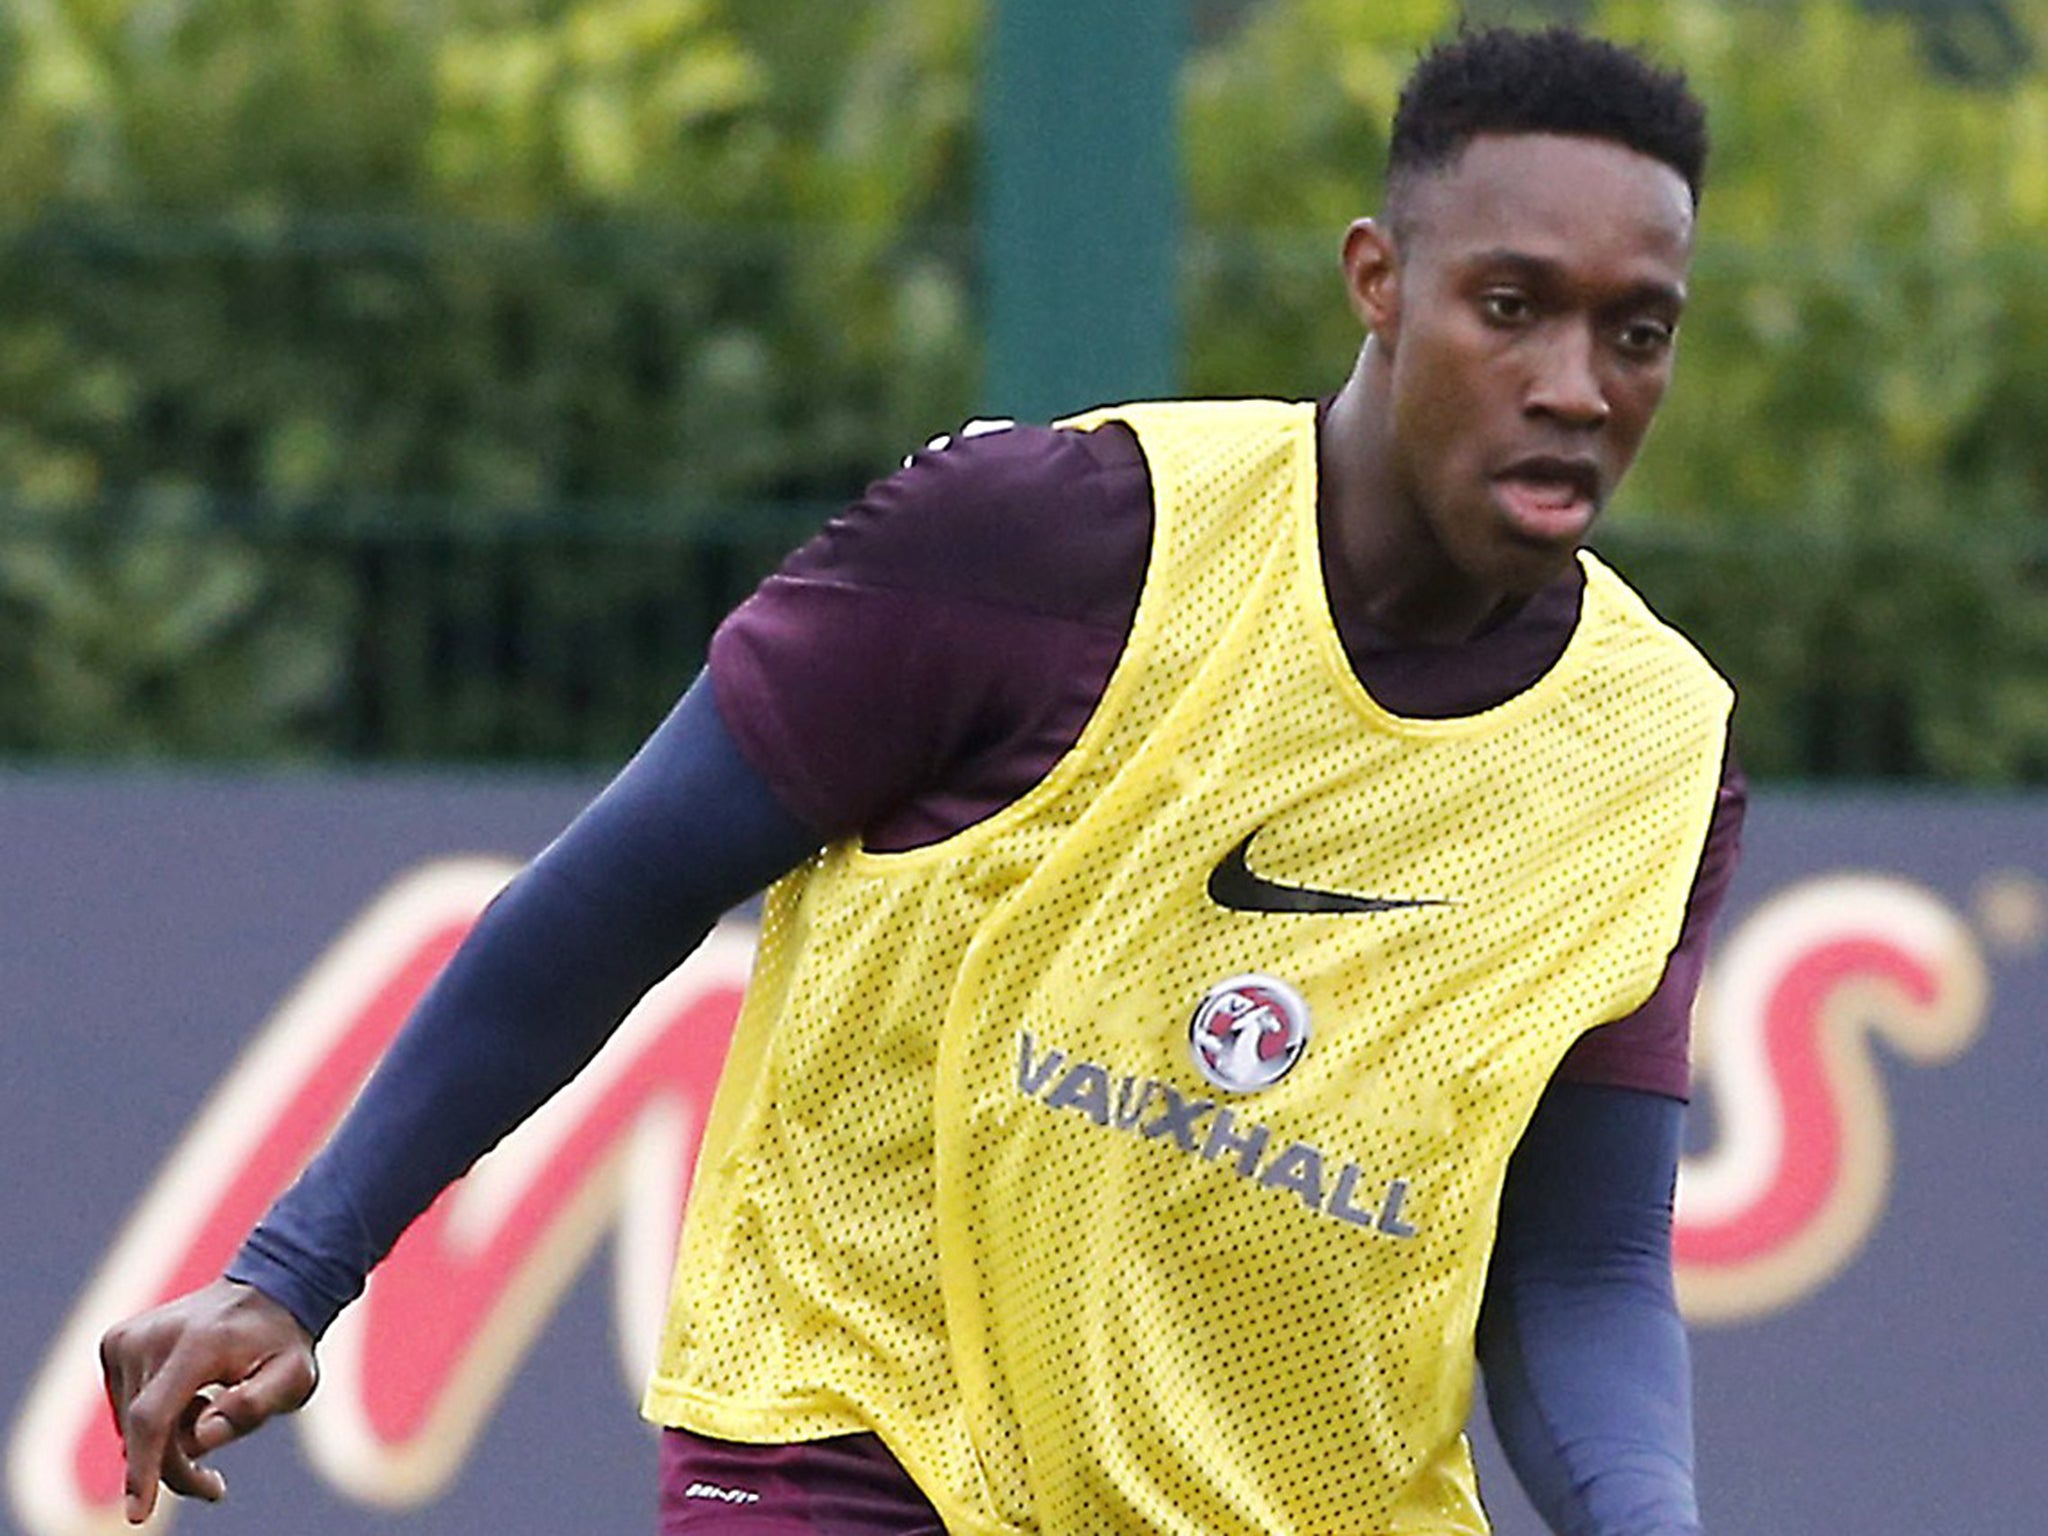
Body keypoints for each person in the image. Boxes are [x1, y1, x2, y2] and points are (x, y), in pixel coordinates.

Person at [101, 24, 1743, 1536]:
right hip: (857, 1454)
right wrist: (295, 1270)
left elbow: (1581, 1255)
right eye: (1511, 306)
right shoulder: (1045, 537)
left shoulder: (1659, 751)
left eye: (1637, 331)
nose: (1577, 386)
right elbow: (621, 891)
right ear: (1379, 281)